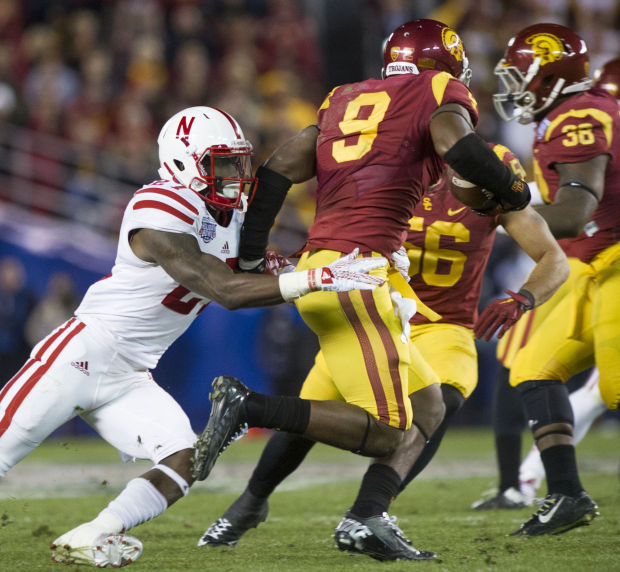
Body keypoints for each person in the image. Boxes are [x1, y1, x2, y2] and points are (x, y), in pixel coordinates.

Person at [191, 19, 532, 562]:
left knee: (429, 409)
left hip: (338, 267)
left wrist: (253, 257)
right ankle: (250, 405)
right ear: (438, 63)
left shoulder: (341, 97)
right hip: (358, 276)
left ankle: (365, 520)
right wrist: (515, 189)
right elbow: (460, 148)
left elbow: (277, 169)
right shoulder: (439, 90)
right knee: (386, 435)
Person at [0, 106, 385, 568]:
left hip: (132, 374)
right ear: (183, 162)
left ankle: (92, 534)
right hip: (81, 355)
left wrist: (347, 261)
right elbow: (224, 289)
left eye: (238, 162)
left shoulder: (231, 217)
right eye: (222, 163)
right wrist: (313, 278)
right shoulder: (159, 206)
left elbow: (265, 274)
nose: (235, 176)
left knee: (185, 459)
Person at [196, 140, 568, 555]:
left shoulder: (492, 174)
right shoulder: (389, 168)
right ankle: (250, 502)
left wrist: (523, 298)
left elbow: (553, 257)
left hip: (443, 323)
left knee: (442, 397)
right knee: (312, 409)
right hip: (371, 312)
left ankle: (368, 511)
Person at [485, 23, 620, 536]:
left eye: (524, 76)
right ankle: (567, 495)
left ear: (552, 76)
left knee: (616, 385)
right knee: (532, 369)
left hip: (614, 260)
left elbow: (572, 210)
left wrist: (496, 209)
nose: (515, 88)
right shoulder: (564, 115)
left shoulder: (582, 115)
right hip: (591, 264)